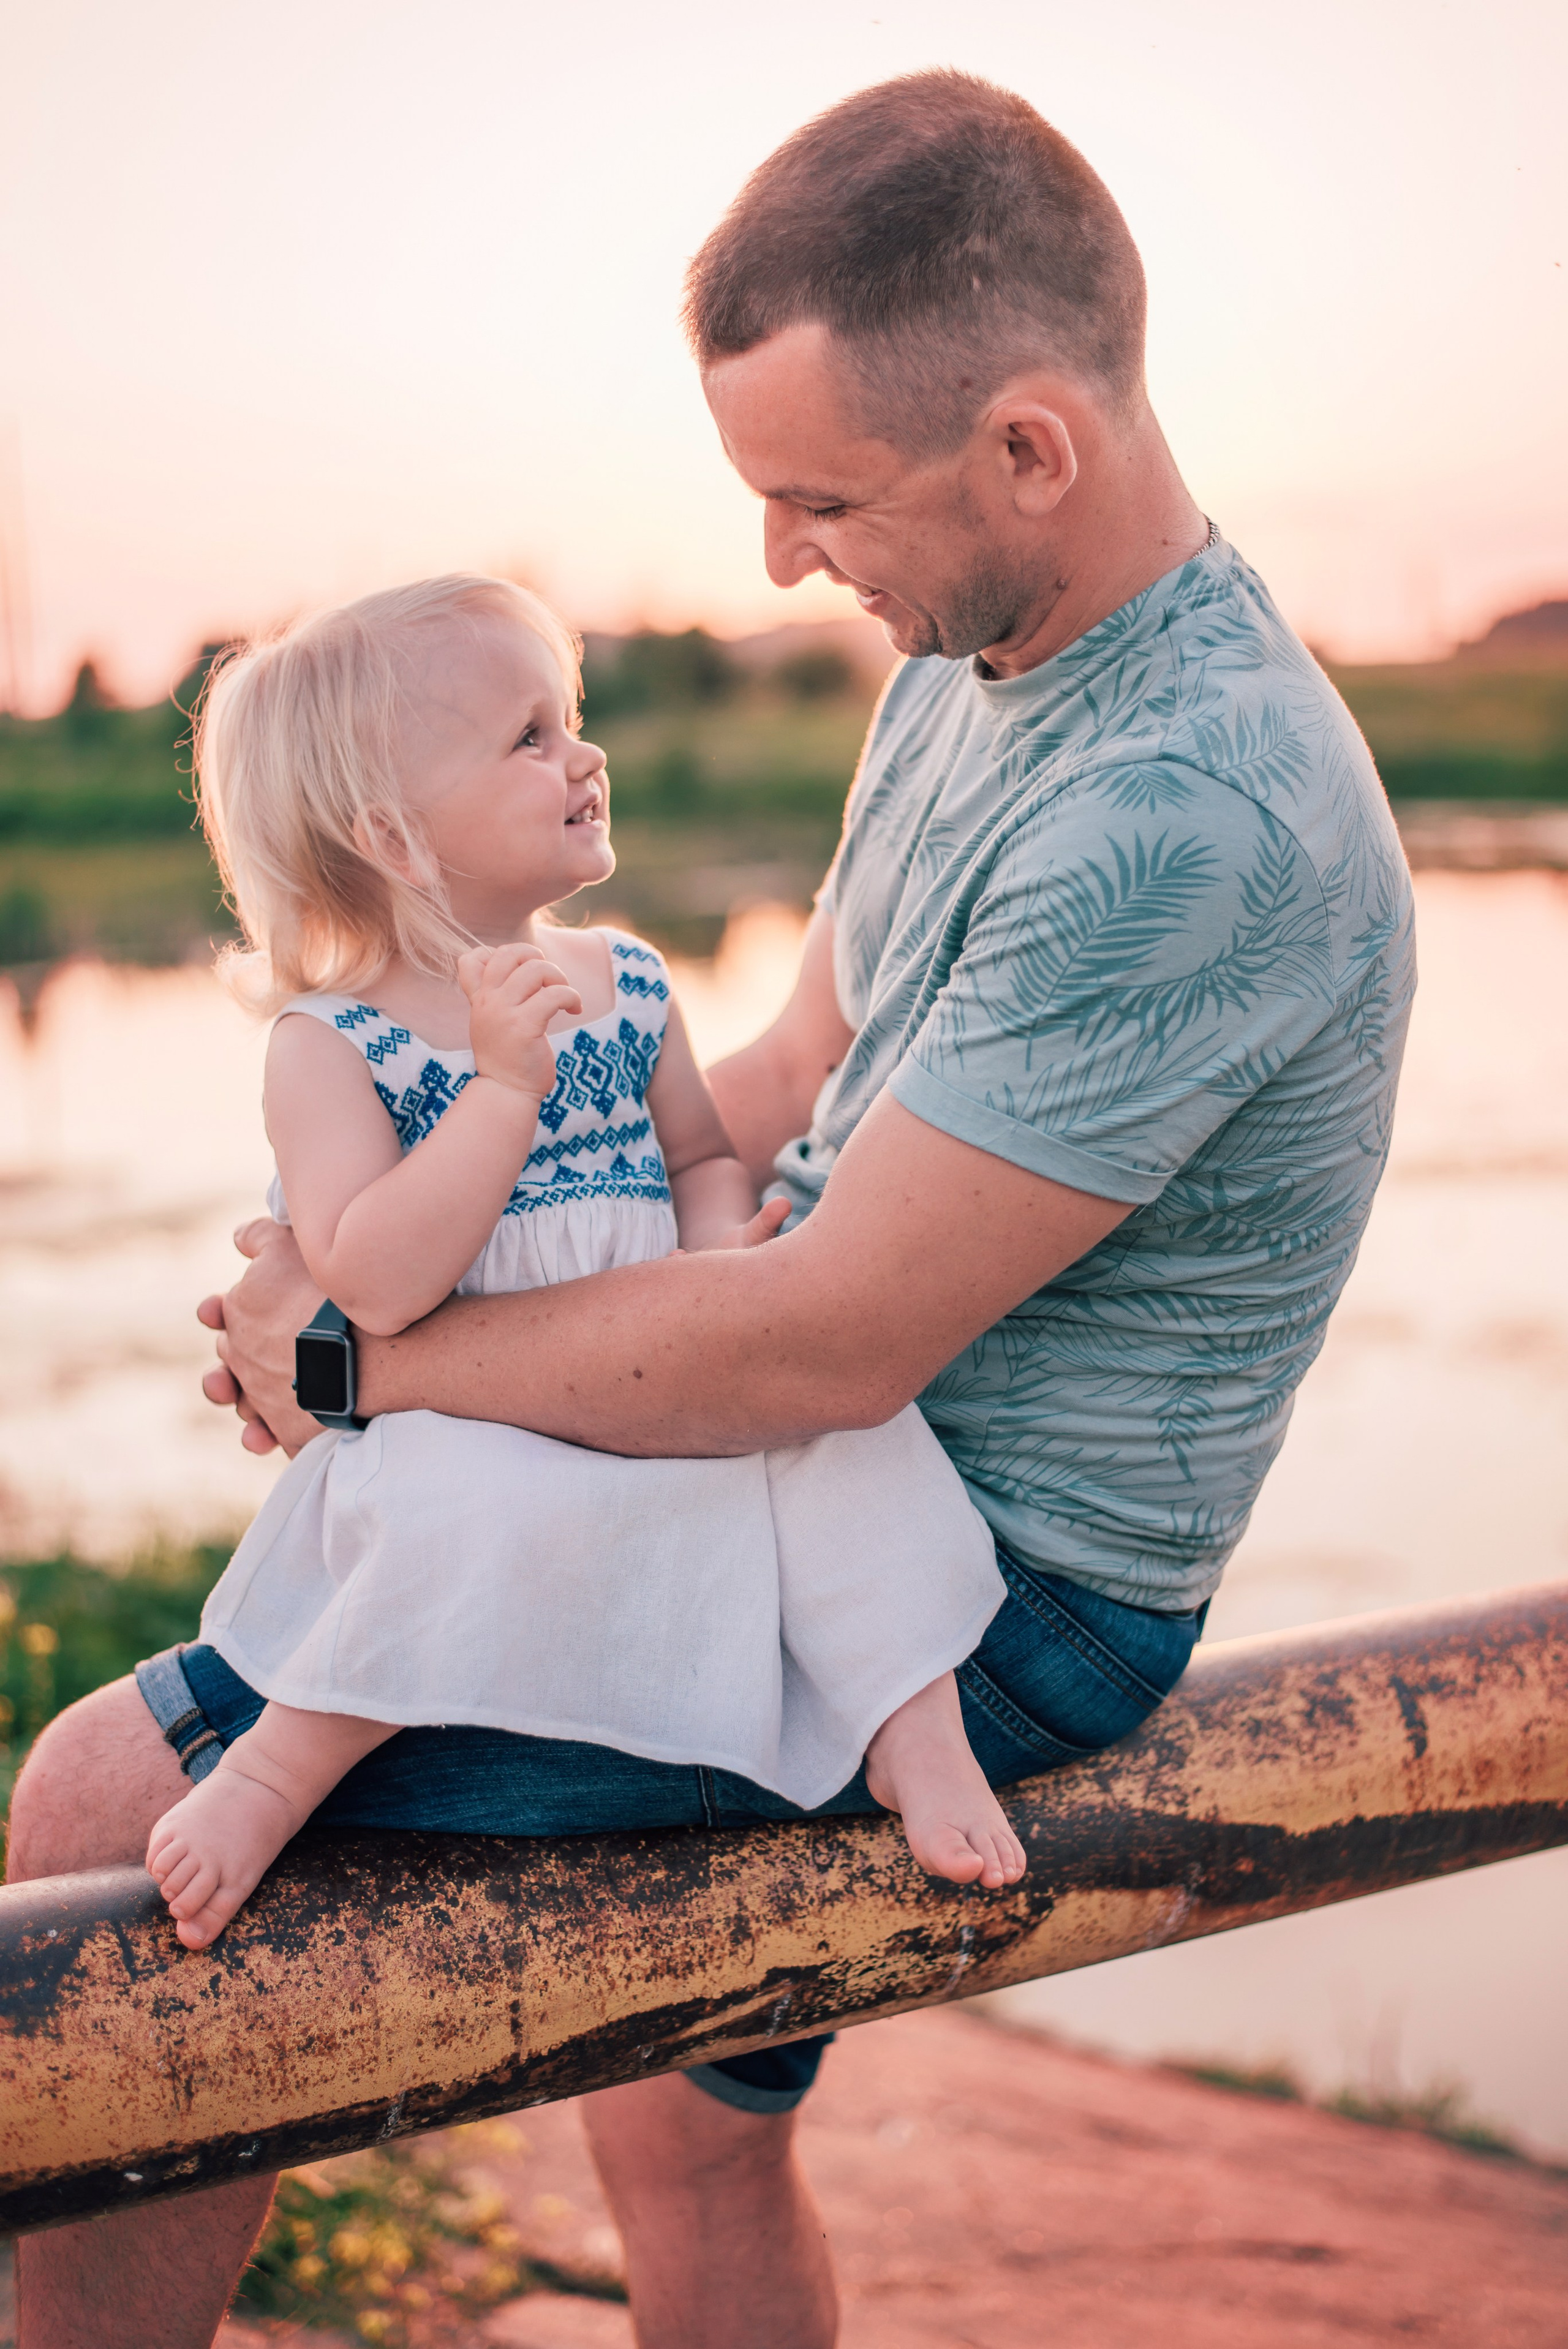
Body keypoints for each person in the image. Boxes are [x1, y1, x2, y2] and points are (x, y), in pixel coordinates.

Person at [7, 69, 1416, 2349]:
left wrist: (368, 1361)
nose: (779, 560)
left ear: (1030, 448)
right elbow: (767, 1083)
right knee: (687, 2116)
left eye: (818, 498)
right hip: (795, 1432)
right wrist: (403, 1244)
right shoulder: (975, 672)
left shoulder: (1194, 810)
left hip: (980, 1576)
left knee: (100, 1790)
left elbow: (820, 1347)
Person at [145, 570, 1016, 1951]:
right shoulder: (332, 1045)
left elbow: (697, 1154)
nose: (583, 755)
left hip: (652, 1377)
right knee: (451, 1514)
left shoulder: (629, 979)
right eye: (528, 737)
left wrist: (723, 1238)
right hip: (472, 1415)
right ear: (394, 835)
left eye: (573, 717)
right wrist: (497, 1092)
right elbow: (371, 1283)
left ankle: (913, 1722)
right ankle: (272, 1766)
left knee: (855, 1440)